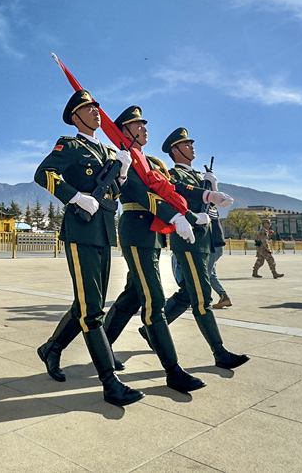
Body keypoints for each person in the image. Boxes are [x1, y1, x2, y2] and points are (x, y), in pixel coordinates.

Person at [33, 90, 143, 406]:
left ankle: (51, 348)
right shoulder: (69, 145)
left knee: (85, 304)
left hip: (104, 229)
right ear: (75, 117)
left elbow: (116, 191)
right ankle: (110, 383)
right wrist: (75, 196)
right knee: (93, 311)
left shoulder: (108, 151)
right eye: (88, 108)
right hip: (81, 229)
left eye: (96, 107)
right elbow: (43, 174)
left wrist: (121, 169)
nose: (96, 112)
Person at [101, 106, 208, 394]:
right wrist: (175, 216)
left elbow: (173, 187)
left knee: (133, 295)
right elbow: (137, 192)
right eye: (138, 124)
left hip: (152, 232)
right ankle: (173, 371)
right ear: (124, 130)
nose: (145, 128)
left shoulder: (150, 161)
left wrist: (206, 195)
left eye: (145, 124)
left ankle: (101, 346)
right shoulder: (121, 158)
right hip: (136, 229)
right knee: (154, 299)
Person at [141, 127, 248, 370]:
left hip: (204, 240)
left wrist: (209, 185)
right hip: (189, 242)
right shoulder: (172, 175)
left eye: (191, 143)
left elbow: (209, 212)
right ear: (175, 150)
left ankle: (152, 330)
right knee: (202, 298)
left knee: (189, 293)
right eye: (186, 144)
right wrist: (207, 192)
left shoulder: (198, 177)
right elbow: (178, 193)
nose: (192, 147)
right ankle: (220, 352)